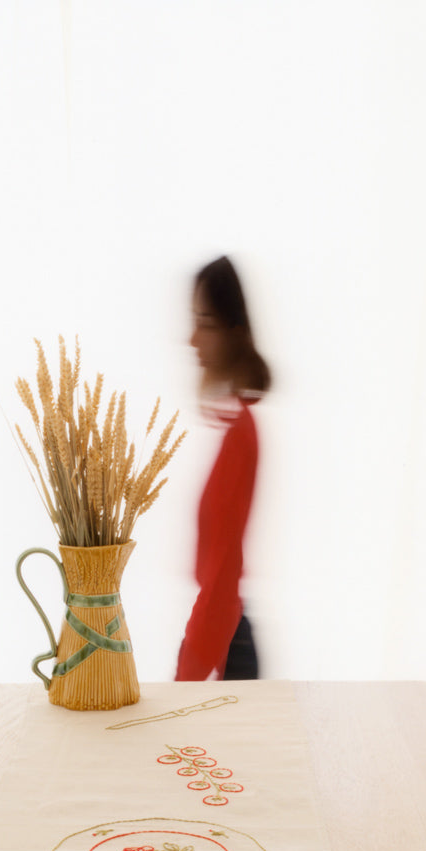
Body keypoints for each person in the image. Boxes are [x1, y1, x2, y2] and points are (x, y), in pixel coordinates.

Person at [175, 255, 271, 682]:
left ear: (235, 333)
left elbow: (222, 579)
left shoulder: (239, 435)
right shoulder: (236, 427)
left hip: (224, 641)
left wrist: (188, 671)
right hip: (225, 638)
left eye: (205, 323)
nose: (192, 339)